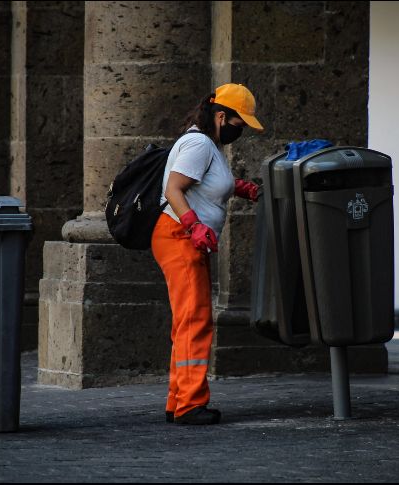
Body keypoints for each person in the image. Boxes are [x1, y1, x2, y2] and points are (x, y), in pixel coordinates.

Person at [151, 83, 263, 425]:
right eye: (238, 124)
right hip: (179, 237)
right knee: (195, 320)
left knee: (187, 319)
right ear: (220, 116)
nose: (239, 131)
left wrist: (242, 187)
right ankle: (190, 405)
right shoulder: (199, 143)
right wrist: (194, 225)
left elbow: (209, 183)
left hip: (182, 238)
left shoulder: (208, 144)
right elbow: (174, 188)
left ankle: (178, 400)